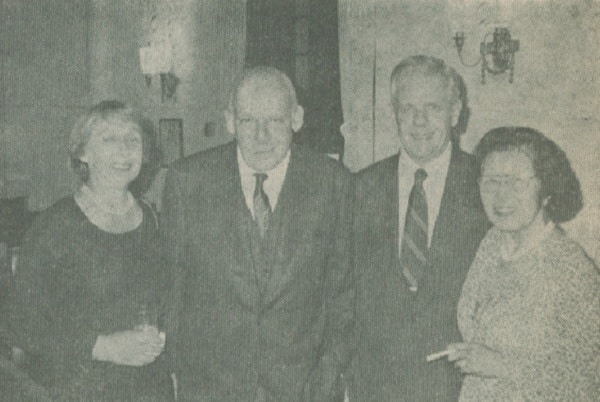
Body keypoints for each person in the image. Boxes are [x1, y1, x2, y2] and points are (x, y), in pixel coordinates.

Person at [161, 66, 353, 401]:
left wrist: (328, 371)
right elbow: (173, 288)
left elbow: (345, 291)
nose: (261, 135)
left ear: (297, 118)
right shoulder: (187, 182)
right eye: (249, 121)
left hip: (305, 388)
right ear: (230, 121)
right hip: (211, 389)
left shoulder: (333, 182)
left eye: (275, 121)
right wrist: (180, 374)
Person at [9, 100, 171, 400]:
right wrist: (104, 346)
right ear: (83, 153)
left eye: (132, 140)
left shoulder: (150, 219)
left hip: (147, 388)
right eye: (109, 139)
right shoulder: (55, 226)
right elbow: (19, 323)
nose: (124, 151)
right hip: (78, 389)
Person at [350, 55, 489, 401]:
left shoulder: (485, 186)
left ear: (455, 113)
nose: (420, 121)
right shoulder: (358, 188)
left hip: (460, 386)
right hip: (375, 385)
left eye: (433, 108)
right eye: (408, 108)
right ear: (394, 113)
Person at [446, 126, 599, 400]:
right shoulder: (491, 244)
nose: (501, 196)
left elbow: (588, 381)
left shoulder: (572, 270)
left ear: (546, 189)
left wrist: (501, 366)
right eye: (491, 181)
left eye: (517, 182)